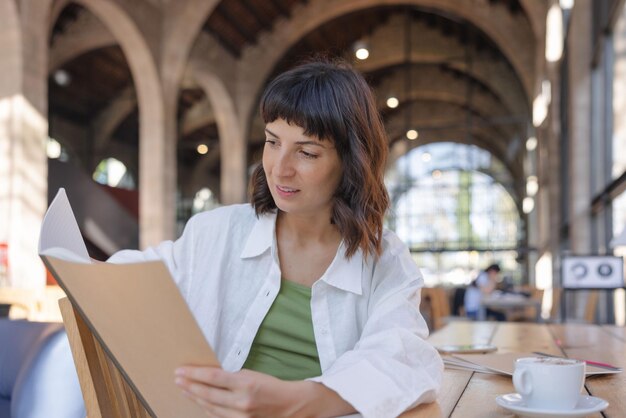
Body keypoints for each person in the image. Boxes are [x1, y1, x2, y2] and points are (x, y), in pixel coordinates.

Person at [109, 59, 443, 417]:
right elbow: (120, 278)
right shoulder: (216, 232)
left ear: (351, 160)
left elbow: (404, 361)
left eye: (307, 152)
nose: (280, 168)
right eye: (272, 142)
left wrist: (298, 401)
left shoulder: (383, 259)